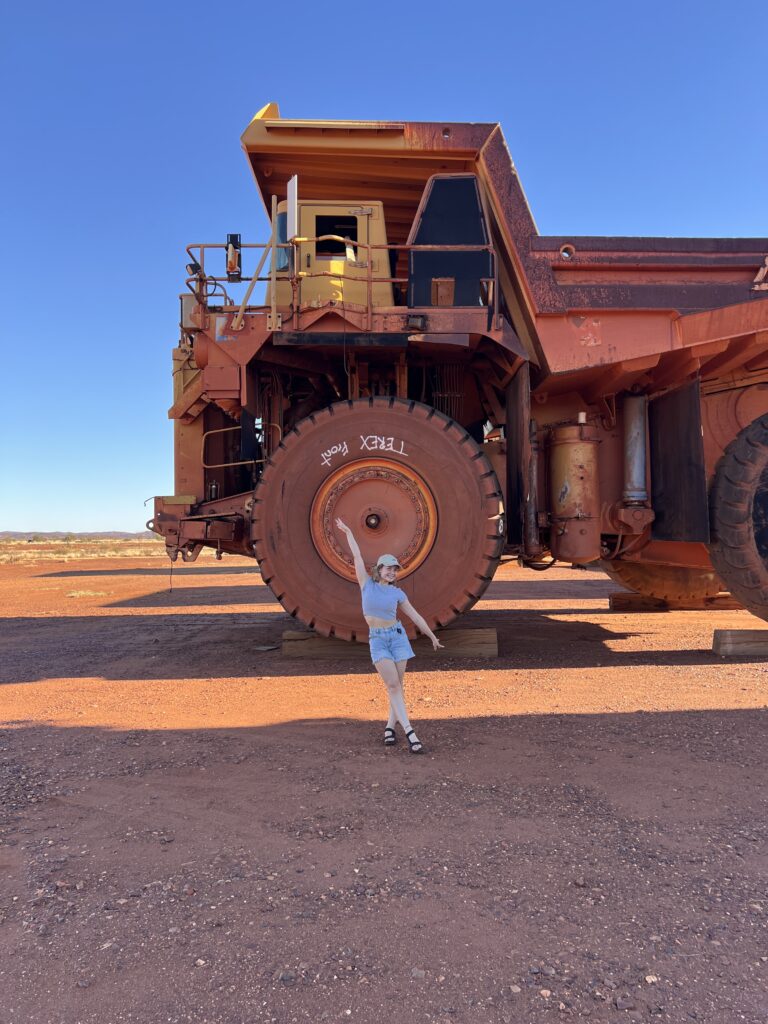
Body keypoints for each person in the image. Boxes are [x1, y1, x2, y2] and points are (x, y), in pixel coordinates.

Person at [335, 518, 443, 754]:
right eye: (388, 568)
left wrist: (431, 636)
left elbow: (414, 616)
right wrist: (349, 532)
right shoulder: (366, 584)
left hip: (398, 638)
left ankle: (389, 727)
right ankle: (410, 731)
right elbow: (357, 557)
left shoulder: (397, 593)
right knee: (393, 685)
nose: (392, 572)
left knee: (397, 687)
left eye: (395, 569)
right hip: (378, 640)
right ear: (379, 569)